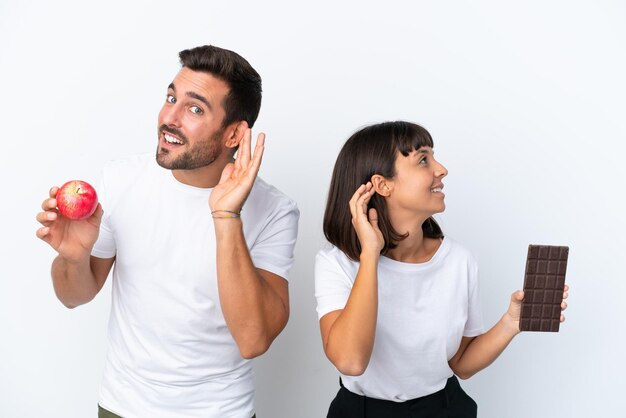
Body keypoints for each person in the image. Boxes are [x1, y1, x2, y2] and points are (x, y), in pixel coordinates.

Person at [36, 45, 299, 418]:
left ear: (234, 134)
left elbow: (254, 339)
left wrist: (226, 215)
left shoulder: (275, 211)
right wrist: (73, 258)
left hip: (220, 411)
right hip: (122, 406)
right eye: (170, 98)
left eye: (195, 108)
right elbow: (72, 296)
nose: (169, 117)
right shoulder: (121, 179)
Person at [315, 121, 569, 417]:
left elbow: (460, 363)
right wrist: (370, 254)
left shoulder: (459, 260)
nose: (441, 169)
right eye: (423, 159)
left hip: (444, 408)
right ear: (383, 184)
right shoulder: (337, 263)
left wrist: (512, 323)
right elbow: (351, 362)